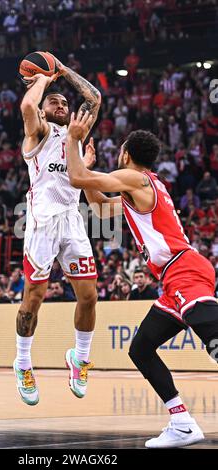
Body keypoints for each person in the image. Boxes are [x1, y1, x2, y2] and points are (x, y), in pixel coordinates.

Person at [65, 111, 218, 448]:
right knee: (141, 348)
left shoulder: (137, 180)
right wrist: (88, 168)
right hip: (176, 274)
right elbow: (102, 208)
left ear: (126, 155)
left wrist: (74, 140)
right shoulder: (142, 188)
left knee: (215, 340)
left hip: (184, 270)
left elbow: (75, 179)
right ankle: (182, 423)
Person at [14, 53, 101, 406]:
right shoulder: (38, 133)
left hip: (72, 221)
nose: (62, 103)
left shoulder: (75, 135)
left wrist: (64, 71)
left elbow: (94, 99)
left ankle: (79, 358)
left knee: (89, 296)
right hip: (41, 223)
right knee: (33, 299)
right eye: (56, 101)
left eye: (65, 101)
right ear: (45, 110)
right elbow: (26, 107)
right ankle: (22, 362)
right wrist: (42, 81)